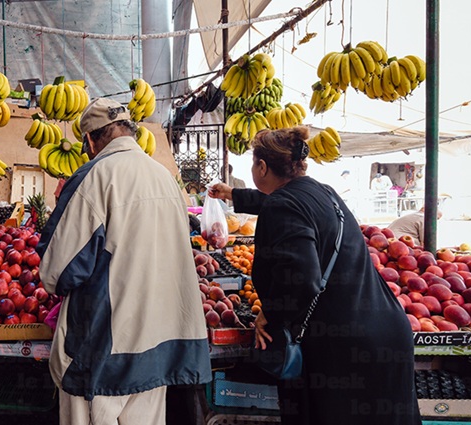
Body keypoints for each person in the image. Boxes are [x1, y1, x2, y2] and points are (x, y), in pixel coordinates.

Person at [208, 127, 420, 425]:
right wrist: (234, 195)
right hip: (386, 329)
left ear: (262, 167)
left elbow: (302, 279)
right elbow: (284, 204)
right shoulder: (324, 192)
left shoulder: (284, 205)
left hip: (345, 348)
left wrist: (272, 313)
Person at [37, 98, 211, 425]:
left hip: (104, 350)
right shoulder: (164, 177)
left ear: (90, 139)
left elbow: (57, 272)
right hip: (157, 350)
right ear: (130, 131)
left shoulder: (94, 177)